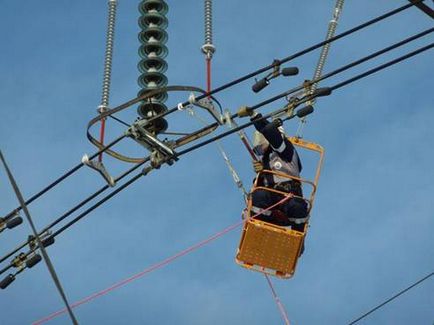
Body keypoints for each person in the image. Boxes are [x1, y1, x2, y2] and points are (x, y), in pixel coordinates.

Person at [238, 106, 309, 232]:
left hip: (289, 197)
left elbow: (271, 132)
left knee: (297, 207)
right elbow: (259, 191)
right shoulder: (266, 161)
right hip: (272, 205)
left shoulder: (285, 150)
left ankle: (296, 236)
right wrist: (261, 174)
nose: (259, 147)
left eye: (261, 142)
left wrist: (253, 115)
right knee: (259, 195)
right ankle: (260, 229)